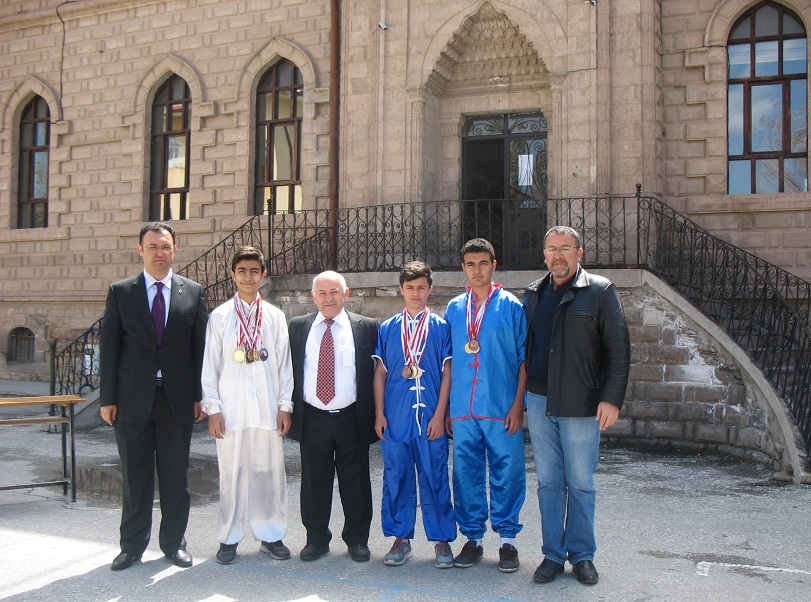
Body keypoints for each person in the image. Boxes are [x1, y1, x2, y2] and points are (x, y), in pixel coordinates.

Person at [523, 225, 630, 586]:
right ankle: (553, 554)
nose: (558, 255)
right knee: (549, 483)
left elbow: (619, 351)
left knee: (581, 483)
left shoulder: (599, 291)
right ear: (544, 255)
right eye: (552, 249)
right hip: (539, 401)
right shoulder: (532, 294)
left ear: (579, 253)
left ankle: (582, 554)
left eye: (565, 248)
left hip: (582, 404)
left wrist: (611, 398)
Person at [99, 222, 209, 571]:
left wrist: (199, 395)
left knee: (176, 476)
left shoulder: (192, 292)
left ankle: (174, 543)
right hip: (132, 400)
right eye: (153, 247)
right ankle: (131, 546)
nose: (159, 253)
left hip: (176, 400)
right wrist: (107, 398)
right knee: (136, 475)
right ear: (140, 251)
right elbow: (110, 348)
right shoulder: (121, 292)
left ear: (174, 250)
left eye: (165, 247)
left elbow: (200, 349)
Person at [200, 246, 294, 565]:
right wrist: (213, 409)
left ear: (263, 275)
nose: (248, 277)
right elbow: (210, 366)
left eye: (254, 271)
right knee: (231, 474)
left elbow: (284, 364)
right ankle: (229, 536)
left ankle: (271, 534)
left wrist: (285, 405)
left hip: (267, 406)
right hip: (231, 409)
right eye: (242, 271)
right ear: (232, 275)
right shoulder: (221, 316)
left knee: (268, 473)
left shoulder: (276, 317)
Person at [444, 238, 527, 573]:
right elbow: (447, 360)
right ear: (462, 269)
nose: (476, 270)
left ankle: (508, 542)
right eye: (470, 264)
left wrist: (518, 405)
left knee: (508, 470)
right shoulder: (453, 308)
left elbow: (523, 359)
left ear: (494, 265)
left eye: (482, 263)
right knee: (465, 473)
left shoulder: (511, 306)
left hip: (500, 404)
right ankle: (473, 538)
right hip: (463, 407)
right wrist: (447, 407)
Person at [287, 271, 378, 562]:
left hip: (351, 416)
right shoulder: (298, 327)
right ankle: (316, 539)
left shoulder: (366, 327)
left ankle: (357, 540)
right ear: (313, 296)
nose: (329, 298)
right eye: (322, 293)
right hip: (313, 416)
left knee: (356, 482)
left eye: (335, 292)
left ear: (346, 293)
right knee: (314, 482)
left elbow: (375, 373)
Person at [372, 261, 456, 568]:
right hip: (396, 416)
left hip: (429, 416)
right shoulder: (388, 328)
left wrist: (439, 415)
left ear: (430, 289)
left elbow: (447, 373)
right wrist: (380, 413)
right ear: (401, 290)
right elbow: (380, 373)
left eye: (422, 287)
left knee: (435, 475)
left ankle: (442, 541)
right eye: (410, 288)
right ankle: (400, 539)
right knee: (397, 476)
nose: (416, 293)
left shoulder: (441, 327)